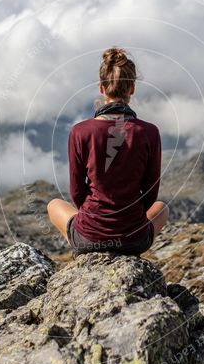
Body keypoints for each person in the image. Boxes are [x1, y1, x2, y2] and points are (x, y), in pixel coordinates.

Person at [47, 47, 169, 256]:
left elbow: (77, 192)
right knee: (162, 208)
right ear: (132, 89)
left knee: (54, 204)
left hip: (89, 239)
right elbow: (150, 196)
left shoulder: (80, 131)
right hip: (134, 240)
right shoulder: (149, 132)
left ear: (101, 88)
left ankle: (85, 242)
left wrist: (96, 220)